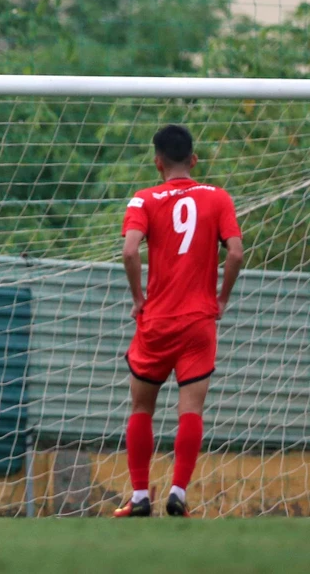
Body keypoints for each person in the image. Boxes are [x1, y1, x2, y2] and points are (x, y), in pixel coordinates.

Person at [115, 124, 243, 518]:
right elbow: (236, 253)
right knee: (191, 410)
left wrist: (139, 298)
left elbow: (130, 251)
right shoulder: (217, 197)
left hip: (157, 320)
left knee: (141, 408)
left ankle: (139, 496)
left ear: (157, 162)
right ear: (194, 160)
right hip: (199, 322)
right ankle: (179, 493)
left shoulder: (143, 199)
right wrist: (221, 298)